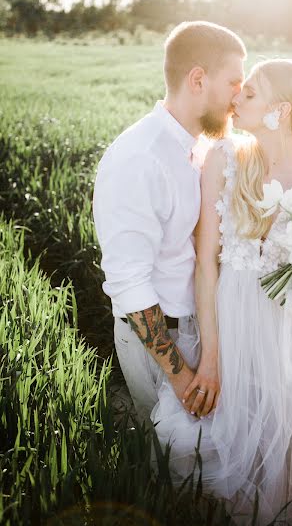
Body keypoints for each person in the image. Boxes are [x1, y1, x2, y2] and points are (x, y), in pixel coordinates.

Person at [151, 59, 292, 525]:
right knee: (232, 438)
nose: (235, 99)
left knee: (289, 445)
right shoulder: (224, 160)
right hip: (232, 319)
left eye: (250, 93)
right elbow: (206, 265)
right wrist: (211, 358)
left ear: (279, 110)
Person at [92, 21, 246, 426]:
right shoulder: (140, 158)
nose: (239, 96)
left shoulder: (200, 147)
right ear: (198, 79)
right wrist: (180, 376)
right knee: (172, 472)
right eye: (233, 82)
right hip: (160, 345)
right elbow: (128, 281)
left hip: (198, 331)